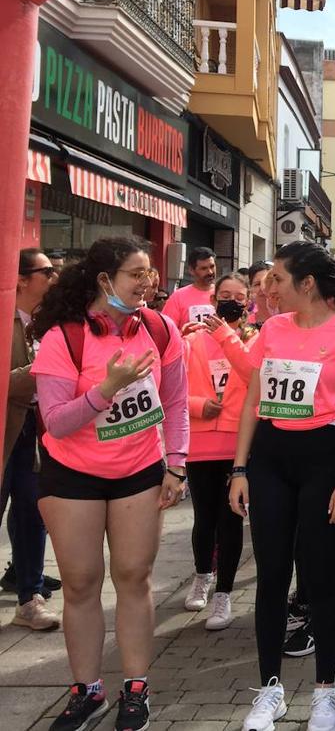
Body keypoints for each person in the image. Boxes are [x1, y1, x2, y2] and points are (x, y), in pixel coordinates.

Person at [31, 236, 189, 731]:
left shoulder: (161, 330)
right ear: (105, 280)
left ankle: (136, 689)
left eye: (150, 274)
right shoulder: (65, 336)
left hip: (139, 471)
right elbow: (56, 422)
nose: (148, 282)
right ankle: (87, 691)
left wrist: (177, 464)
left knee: (134, 578)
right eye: (136, 274)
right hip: (71, 475)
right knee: (79, 584)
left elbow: (177, 403)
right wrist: (107, 388)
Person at [230, 242, 335, 731]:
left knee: (319, 577)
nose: (268, 288)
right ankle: (270, 690)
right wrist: (239, 469)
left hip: (325, 458)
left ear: (307, 284)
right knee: (272, 575)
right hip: (271, 458)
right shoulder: (272, 329)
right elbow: (254, 399)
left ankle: (324, 692)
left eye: (277, 279)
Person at [183, 273, 255, 630]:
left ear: (247, 302)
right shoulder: (192, 339)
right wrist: (197, 405)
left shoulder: (252, 339)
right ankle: (202, 575)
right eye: (223, 295)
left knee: (231, 518)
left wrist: (230, 336)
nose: (230, 301)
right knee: (203, 517)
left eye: (237, 296)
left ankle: (224, 593)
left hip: (235, 442)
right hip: (200, 442)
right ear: (212, 299)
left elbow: (252, 374)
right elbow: (175, 385)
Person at [3, 249, 60, 631]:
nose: (54, 277)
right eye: (47, 271)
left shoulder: (47, 322)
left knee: (31, 512)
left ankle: (30, 596)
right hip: (6, 430)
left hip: (35, 434)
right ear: (22, 279)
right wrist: (41, 369)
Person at [163, 246, 218, 329]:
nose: (210, 272)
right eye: (204, 268)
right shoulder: (178, 297)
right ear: (191, 270)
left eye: (212, 266)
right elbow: (167, 330)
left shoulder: (224, 294)